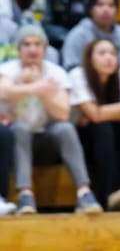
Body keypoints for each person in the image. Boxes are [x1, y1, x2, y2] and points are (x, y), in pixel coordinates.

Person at [0, 22, 103, 214]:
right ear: (18, 48)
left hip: (47, 140)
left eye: (38, 44)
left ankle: (84, 193)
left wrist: (39, 92)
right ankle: (25, 195)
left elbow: (63, 113)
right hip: (17, 142)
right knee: (20, 128)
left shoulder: (56, 72)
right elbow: (3, 92)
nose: (33, 49)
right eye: (27, 44)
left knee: (65, 128)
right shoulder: (8, 69)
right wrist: (36, 87)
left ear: (45, 48)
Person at [70, 37, 120, 211]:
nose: (109, 58)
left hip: (111, 133)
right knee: (103, 128)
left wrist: (106, 113)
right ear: (89, 58)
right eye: (102, 53)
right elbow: (96, 116)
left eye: (113, 53)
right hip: (79, 139)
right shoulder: (78, 75)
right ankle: (111, 192)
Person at [62, 0, 120, 72]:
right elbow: (71, 69)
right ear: (90, 9)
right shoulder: (78, 35)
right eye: (100, 5)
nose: (106, 10)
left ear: (117, 10)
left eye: (111, 5)